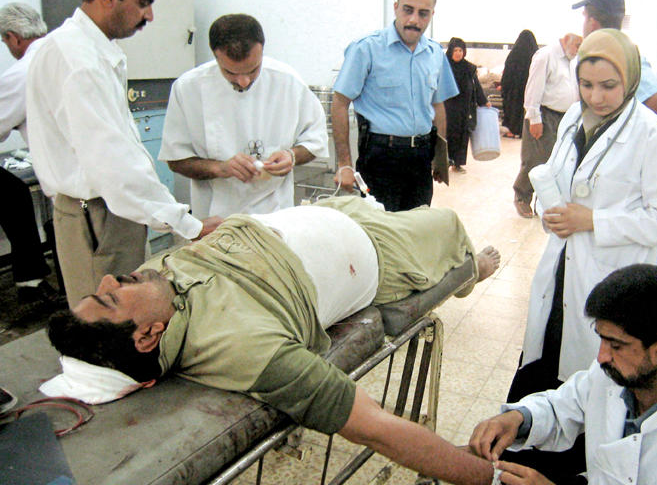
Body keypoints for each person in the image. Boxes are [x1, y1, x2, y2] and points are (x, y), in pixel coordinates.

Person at [48, 196, 504, 485]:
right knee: (446, 223)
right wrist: (489, 477)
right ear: (148, 337)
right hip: (379, 250)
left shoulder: (155, 287)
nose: (110, 279)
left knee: (383, 202)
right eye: (110, 298)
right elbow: (374, 427)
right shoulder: (242, 348)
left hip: (317, 211)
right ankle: (471, 271)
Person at [25, 0, 220, 308]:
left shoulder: (93, 52)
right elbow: (112, 161)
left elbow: (118, 149)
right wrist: (187, 224)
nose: (149, 16)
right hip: (96, 216)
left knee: (129, 317)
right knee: (106, 321)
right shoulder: (77, 61)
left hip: (111, 211)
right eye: (143, 3)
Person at [508, 29, 657, 406]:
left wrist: (593, 221)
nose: (596, 97)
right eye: (586, 85)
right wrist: (548, 211)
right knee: (545, 366)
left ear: (631, 79)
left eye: (608, 86)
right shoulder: (574, 117)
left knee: (594, 385)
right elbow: (557, 178)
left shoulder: (653, 135)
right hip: (561, 269)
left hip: (609, 277)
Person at [469, 264, 657, 485]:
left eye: (616, 345)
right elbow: (564, 406)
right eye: (601, 339)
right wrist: (519, 419)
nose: (601, 357)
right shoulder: (615, 374)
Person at [159, 14, 328, 218]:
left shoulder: (288, 82)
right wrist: (221, 168)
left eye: (253, 70)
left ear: (262, 51)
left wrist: (291, 156)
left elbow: (315, 141)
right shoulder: (188, 88)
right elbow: (176, 159)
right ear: (215, 56)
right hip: (215, 217)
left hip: (275, 213)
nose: (244, 81)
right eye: (231, 73)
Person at [331, 0, 458, 211]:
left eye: (423, 13)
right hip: (380, 157)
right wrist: (344, 164)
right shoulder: (366, 49)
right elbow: (340, 103)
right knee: (381, 227)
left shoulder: (435, 54)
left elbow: (438, 105)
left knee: (417, 225)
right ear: (396, 7)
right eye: (408, 10)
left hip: (420, 158)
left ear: (431, 15)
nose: (414, 20)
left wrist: (440, 157)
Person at [0, 3, 59, 304]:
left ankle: (32, 281)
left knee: (17, 196)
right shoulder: (63, 54)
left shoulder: (20, 73)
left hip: (65, 173)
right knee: (16, 195)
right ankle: (31, 280)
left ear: (13, 37)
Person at [513, 34, 582, 219]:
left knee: (559, 161)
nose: (579, 49)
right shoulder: (545, 56)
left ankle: (544, 202)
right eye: (577, 44)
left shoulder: (573, 60)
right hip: (544, 115)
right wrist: (534, 118)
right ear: (566, 39)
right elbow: (533, 88)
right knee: (536, 159)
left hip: (566, 116)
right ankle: (522, 196)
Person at [573, 0, 657, 117]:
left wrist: (630, 127)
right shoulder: (593, 51)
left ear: (592, 23)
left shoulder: (621, 54)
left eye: (585, 17)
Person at [444, 37, 489, 173]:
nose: (458, 53)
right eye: (455, 50)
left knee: (462, 136)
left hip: (464, 109)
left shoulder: (469, 68)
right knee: (447, 135)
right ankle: (444, 162)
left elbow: (476, 87)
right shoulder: (444, 67)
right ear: (450, 51)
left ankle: (457, 163)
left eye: (461, 50)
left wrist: (484, 101)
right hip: (447, 109)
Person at [500, 30, 538, 138]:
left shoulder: (513, 55)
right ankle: (525, 131)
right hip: (530, 89)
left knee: (514, 109)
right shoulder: (536, 56)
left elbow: (507, 75)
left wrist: (504, 88)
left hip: (514, 91)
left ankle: (513, 130)